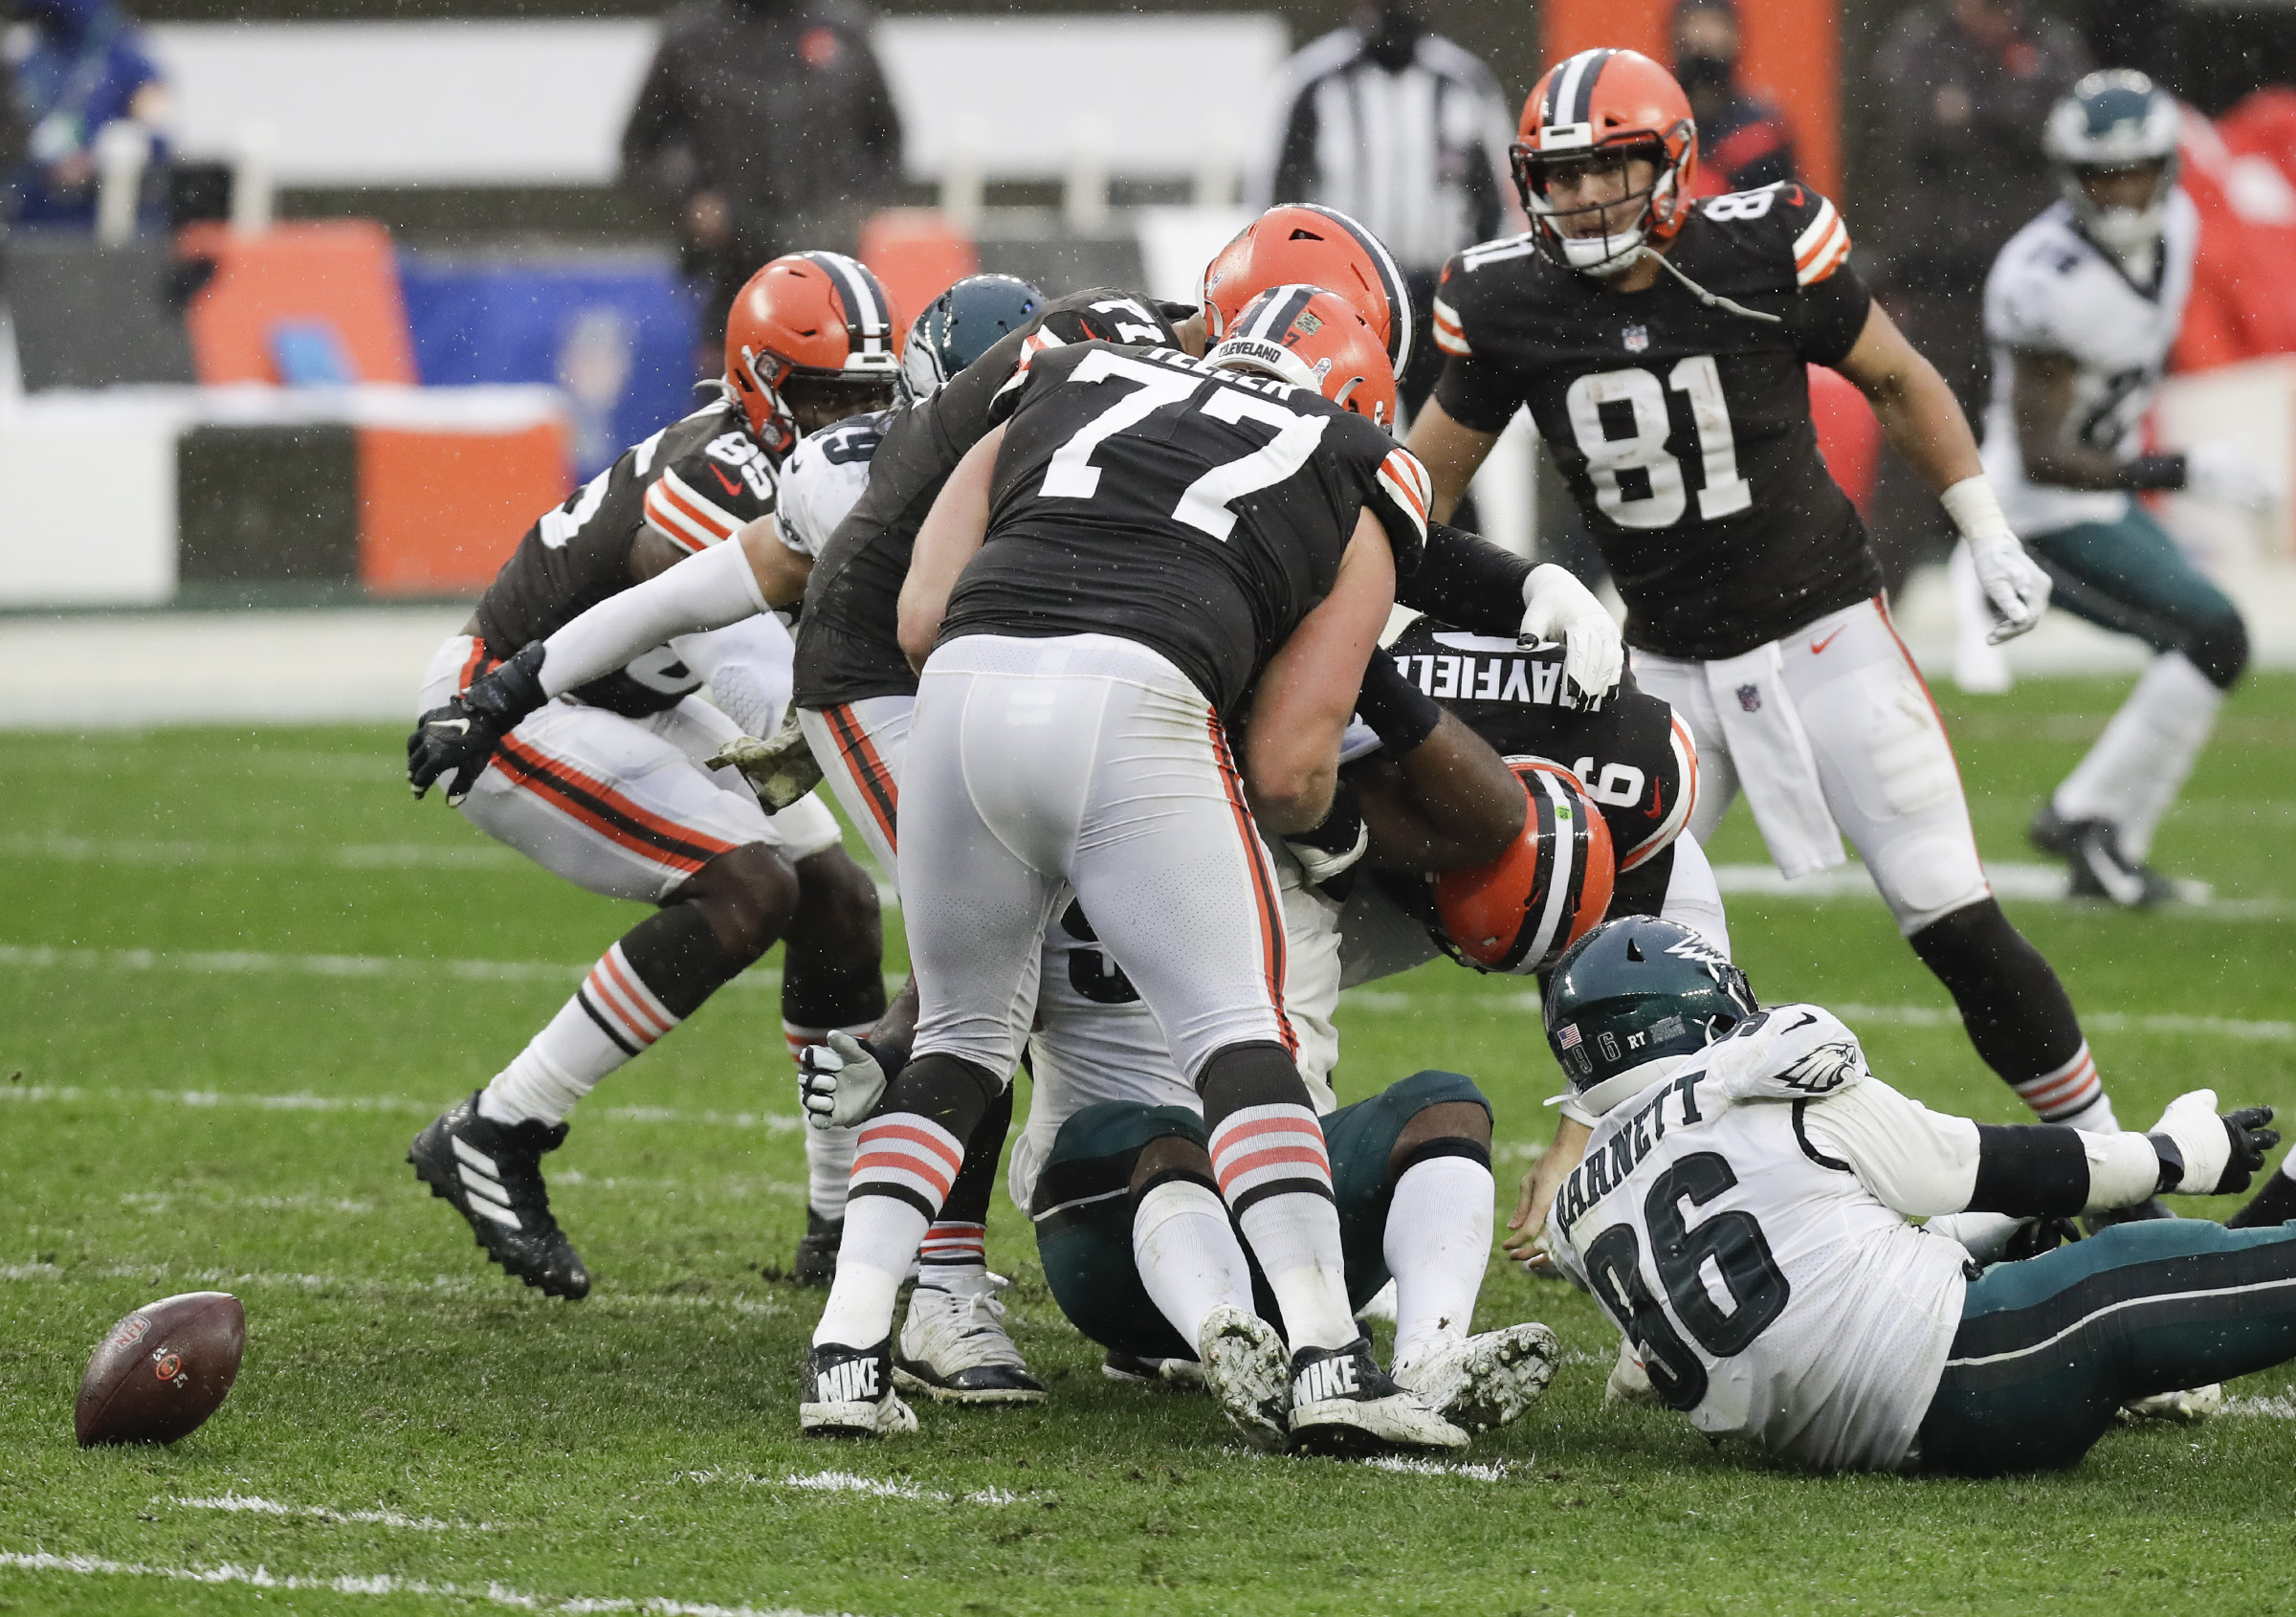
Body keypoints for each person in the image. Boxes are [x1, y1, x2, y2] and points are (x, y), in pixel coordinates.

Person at [1405, 49, 2156, 1169]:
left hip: (1825, 631)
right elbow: (1422, 488)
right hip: (1658, 666)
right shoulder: (1504, 298)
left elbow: (1898, 377)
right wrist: (1440, 606)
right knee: (1605, 949)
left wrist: (1984, 525)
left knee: (1953, 918)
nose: (1585, 197)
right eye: (1559, 176)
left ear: (1673, 164)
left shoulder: (1759, 247)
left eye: (1612, 169)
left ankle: (2106, 1161)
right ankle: (1632, 1177)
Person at [801, 288, 1464, 1451]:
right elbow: (1295, 762)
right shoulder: (1354, 465)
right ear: (1363, 396)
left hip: (962, 692)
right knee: (1234, 1032)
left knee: (958, 1038)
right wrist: (1338, 843)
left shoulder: (1068, 375)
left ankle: (849, 1349)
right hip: (1137, 699)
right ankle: (1324, 1354)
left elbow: (916, 616)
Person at [399, 253, 901, 1302]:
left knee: (841, 902)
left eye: (869, 395)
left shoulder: (812, 469)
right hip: (517, 705)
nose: (847, 419)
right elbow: (777, 692)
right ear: (763, 389)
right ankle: (501, 1123)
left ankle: (836, 1210)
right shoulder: (715, 486)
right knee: (750, 882)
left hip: (642, 698)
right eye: (825, 397)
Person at [1538, 914, 2291, 1475]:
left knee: (2048, 1262)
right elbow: (1982, 1163)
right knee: (2128, 1265)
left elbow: (1801, 1267)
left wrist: (1984, 1234)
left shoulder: (1578, 1208)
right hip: (1975, 1382)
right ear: (1701, 1012)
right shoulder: (1762, 1078)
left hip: (1873, 1437)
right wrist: (2172, 1155)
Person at [1976, 71, 2272, 905]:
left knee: (2212, 639)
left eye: (2136, 170)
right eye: (2104, 173)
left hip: (2099, 499)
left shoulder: (2177, 225)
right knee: (2213, 631)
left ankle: (2101, 839)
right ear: (2070, 174)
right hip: (2033, 520)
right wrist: (2184, 469)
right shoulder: (2043, 276)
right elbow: (2042, 454)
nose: (2122, 191)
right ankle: (2086, 822)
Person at [1862, 0, 2090, 590]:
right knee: (1915, 453)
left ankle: (2057, 591)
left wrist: (1972, 113)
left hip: (2030, 291)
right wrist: (2009, 117)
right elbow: (1914, 119)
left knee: (2038, 449)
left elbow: (2066, 125)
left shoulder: (2050, 40)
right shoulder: (1920, 39)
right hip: (1942, 286)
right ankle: (1879, 602)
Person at [1254, 4, 1519, 413]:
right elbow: (1274, 203)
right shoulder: (1312, 81)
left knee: (1445, 442)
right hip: (1341, 298)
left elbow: (1498, 197)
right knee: (1338, 434)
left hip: (1439, 294)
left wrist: (1480, 292)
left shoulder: (1462, 83)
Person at [619, 0, 901, 359]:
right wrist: (691, 203)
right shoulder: (693, 38)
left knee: (838, 398)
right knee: (732, 398)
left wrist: (855, 209)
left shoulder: (844, 30)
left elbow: (887, 141)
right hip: (731, 267)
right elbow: (640, 147)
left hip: (831, 271)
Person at [3, 0, 166, 229]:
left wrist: (96, 158)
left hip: (101, 207)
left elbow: (157, 133)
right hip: (36, 202)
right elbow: (19, 130)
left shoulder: (122, 51)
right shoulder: (35, 55)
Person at [1669, 0, 1797, 196]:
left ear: (1736, 38)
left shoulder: (1762, 131)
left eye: (1714, 23)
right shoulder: (1655, 122)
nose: (1702, 37)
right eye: (1694, 23)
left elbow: (1786, 211)